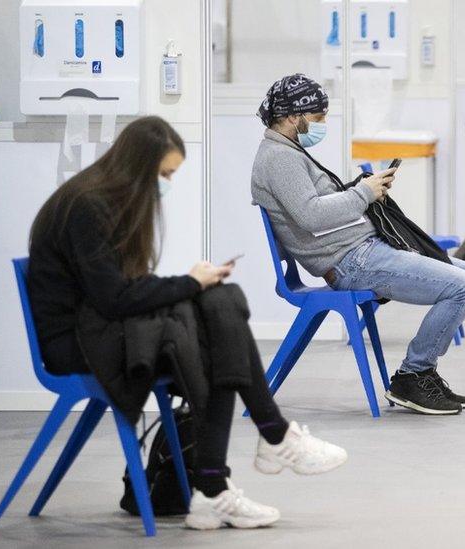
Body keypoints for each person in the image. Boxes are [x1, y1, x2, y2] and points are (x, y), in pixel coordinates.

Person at [28, 116, 347, 531]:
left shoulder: (102, 201)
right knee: (215, 331)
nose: (166, 184)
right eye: (163, 174)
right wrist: (187, 282)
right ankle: (249, 458)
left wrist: (194, 283)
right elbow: (113, 298)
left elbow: (122, 291)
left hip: (103, 326)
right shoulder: (87, 207)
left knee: (221, 300)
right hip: (80, 343)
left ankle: (246, 464)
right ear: (136, 167)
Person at [251, 74, 465, 416]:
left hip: (364, 252)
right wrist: (363, 193)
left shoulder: (287, 151)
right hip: (352, 262)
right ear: (291, 117)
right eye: (317, 119)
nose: (323, 125)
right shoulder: (278, 158)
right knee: (463, 287)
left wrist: (363, 188)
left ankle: (419, 372)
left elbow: (317, 206)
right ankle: (414, 374)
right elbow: (311, 215)